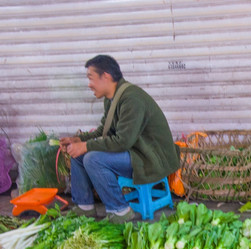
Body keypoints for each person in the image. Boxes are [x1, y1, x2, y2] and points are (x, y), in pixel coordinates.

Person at [60, 55, 181, 224]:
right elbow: (105, 131)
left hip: (149, 157)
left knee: (92, 158)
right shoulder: (112, 99)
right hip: (134, 151)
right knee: (78, 153)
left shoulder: (131, 99)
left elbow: (123, 141)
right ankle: (85, 206)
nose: (89, 84)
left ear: (106, 76)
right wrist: (78, 140)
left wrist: (86, 146)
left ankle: (120, 211)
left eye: (91, 78)